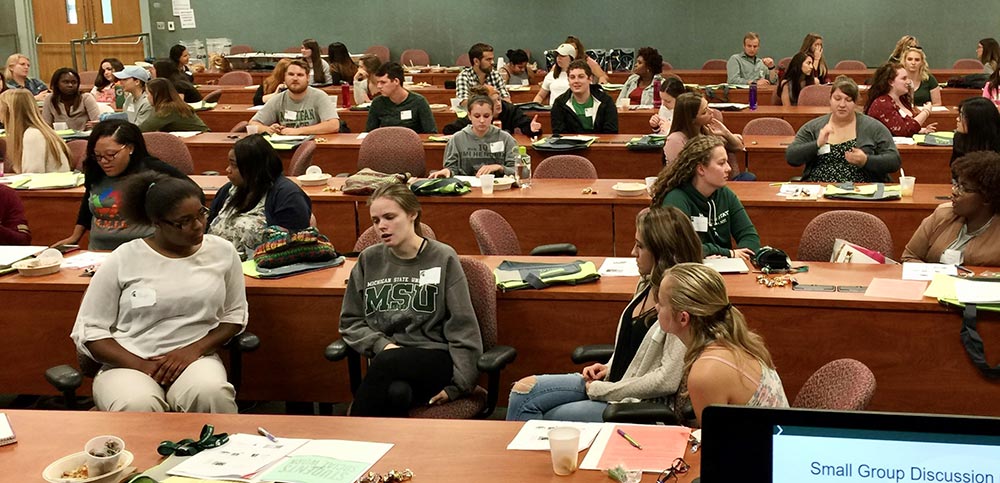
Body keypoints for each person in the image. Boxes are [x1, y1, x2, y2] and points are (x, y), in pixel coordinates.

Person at [70, 172, 248, 413]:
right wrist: (142, 366)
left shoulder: (223, 252)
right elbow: (90, 331)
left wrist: (193, 350)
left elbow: (234, 317)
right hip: (129, 361)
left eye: (201, 214)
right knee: (137, 404)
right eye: (183, 221)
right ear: (156, 222)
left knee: (211, 393)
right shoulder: (124, 258)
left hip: (196, 357)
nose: (197, 226)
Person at [505, 207, 701, 422]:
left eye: (640, 246)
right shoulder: (647, 282)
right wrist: (607, 366)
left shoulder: (679, 300)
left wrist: (603, 390)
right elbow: (631, 347)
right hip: (612, 382)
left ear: (662, 252)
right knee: (522, 392)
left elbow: (667, 380)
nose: (633, 252)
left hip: (636, 404)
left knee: (549, 417)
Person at [339, 183, 483, 417]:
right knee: (397, 394)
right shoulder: (369, 259)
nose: (381, 226)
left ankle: (352, 436)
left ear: (412, 214)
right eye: (375, 221)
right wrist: (382, 345)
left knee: (387, 362)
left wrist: (459, 386)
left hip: (434, 358)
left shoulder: (442, 257)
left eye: (389, 217)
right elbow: (350, 322)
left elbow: (463, 326)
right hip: (389, 359)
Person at [654, 262, 788, 426]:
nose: (656, 307)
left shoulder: (706, 372)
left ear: (683, 318)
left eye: (661, 302)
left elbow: (715, 447)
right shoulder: (735, 341)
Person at [53, 119, 188, 250]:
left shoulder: (152, 171)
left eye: (111, 154)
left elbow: (191, 193)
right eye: (98, 156)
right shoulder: (95, 170)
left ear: (130, 148)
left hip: (142, 251)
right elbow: (87, 204)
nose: (104, 161)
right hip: (98, 252)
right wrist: (74, 236)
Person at [650, 135, 760, 260]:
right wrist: (729, 253)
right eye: (721, 163)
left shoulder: (725, 194)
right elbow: (681, 247)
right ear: (701, 169)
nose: (729, 168)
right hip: (689, 273)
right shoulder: (676, 199)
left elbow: (750, 237)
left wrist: (739, 256)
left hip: (725, 267)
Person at [208, 134, 312, 260]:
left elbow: (293, 249)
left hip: (261, 270)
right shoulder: (229, 190)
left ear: (254, 168)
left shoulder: (288, 196)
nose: (227, 170)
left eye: (234, 165)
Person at [786, 76, 901, 183]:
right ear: (830, 100)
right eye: (837, 98)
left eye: (848, 100)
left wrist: (866, 160)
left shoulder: (873, 127)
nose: (842, 104)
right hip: (820, 190)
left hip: (860, 191)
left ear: (856, 102)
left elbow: (894, 161)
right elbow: (791, 157)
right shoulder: (813, 127)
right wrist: (816, 144)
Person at [902, 152, 1000, 267]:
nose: (954, 192)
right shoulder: (942, 214)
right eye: (956, 185)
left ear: (987, 198)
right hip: (936, 283)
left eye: (965, 189)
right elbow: (909, 257)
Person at [431, 94, 518, 178]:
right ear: (469, 116)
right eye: (477, 116)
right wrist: (447, 171)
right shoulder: (457, 139)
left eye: (486, 116)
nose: (482, 120)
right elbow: (451, 168)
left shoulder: (506, 139)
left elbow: (516, 170)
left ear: (492, 116)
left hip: (498, 188)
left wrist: (500, 167)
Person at [249, 59, 341, 135]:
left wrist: (298, 131)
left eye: (300, 75)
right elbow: (253, 123)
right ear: (284, 77)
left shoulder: (319, 96)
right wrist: (268, 129)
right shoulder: (278, 99)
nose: (295, 78)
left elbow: (334, 125)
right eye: (291, 74)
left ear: (308, 78)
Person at [662, 92, 745, 170]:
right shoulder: (675, 140)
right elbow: (682, 173)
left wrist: (725, 132)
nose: (711, 111)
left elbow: (739, 147)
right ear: (692, 119)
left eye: (708, 107)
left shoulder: (706, 130)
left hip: (711, 180)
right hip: (692, 184)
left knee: (748, 177)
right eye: (704, 111)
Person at [0, 89, 70, 174]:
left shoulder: (33, 135)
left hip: (48, 186)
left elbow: (32, 176)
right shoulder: (31, 132)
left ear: (10, 111)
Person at [863, 62, 937, 137]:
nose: (908, 82)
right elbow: (903, 131)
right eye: (904, 78)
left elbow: (904, 124)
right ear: (891, 82)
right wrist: (926, 111)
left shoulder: (902, 100)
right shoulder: (882, 103)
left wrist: (921, 130)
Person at [441, 85, 541, 137]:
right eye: (494, 101)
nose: (498, 104)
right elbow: (448, 129)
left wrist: (532, 129)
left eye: (499, 99)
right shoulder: (476, 115)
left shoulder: (509, 109)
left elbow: (528, 125)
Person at [364, 62, 436, 133]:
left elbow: (431, 132)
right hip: (387, 142)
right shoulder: (377, 103)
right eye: (378, 82)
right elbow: (369, 133)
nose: (379, 86)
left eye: (383, 82)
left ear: (396, 81)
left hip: (411, 143)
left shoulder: (419, 102)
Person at [550, 59, 618, 135]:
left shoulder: (606, 101)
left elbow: (611, 132)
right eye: (572, 77)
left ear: (590, 79)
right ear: (568, 81)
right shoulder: (559, 104)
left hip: (600, 145)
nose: (576, 81)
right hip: (571, 146)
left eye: (581, 77)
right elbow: (558, 134)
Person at [140, 78, 210, 133]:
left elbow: (144, 128)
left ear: (156, 94)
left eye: (148, 93)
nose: (147, 97)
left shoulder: (168, 108)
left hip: (199, 140)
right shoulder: (173, 104)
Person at [952, 97, 1000, 165]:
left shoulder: (996, 143)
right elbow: (954, 168)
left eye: (962, 116)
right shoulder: (959, 138)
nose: (957, 119)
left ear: (976, 120)